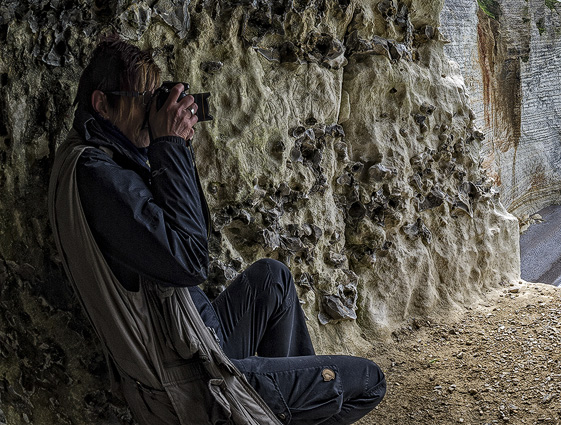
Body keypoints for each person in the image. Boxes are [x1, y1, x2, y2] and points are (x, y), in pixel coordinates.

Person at [49, 34, 385, 424]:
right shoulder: (97, 176)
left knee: (272, 279)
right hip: (192, 378)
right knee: (369, 381)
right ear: (102, 103)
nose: (150, 110)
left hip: (198, 339)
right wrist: (168, 145)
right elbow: (191, 261)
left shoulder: (102, 156)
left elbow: (193, 231)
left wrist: (173, 148)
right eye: (142, 99)